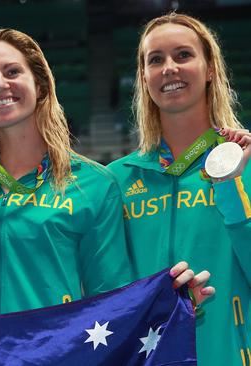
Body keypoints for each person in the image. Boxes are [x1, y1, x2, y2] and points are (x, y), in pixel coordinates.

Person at [0, 28, 139, 316]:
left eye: (12, 72)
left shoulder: (93, 184)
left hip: (52, 355)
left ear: (41, 86)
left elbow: (112, 304)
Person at [108, 12, 247, 365]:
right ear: (144, 77)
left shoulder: (247, 164)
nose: (169, 68)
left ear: (211, 68)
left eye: (183, 55)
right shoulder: (115, 181)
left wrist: (230, 186)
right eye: (156, 60)